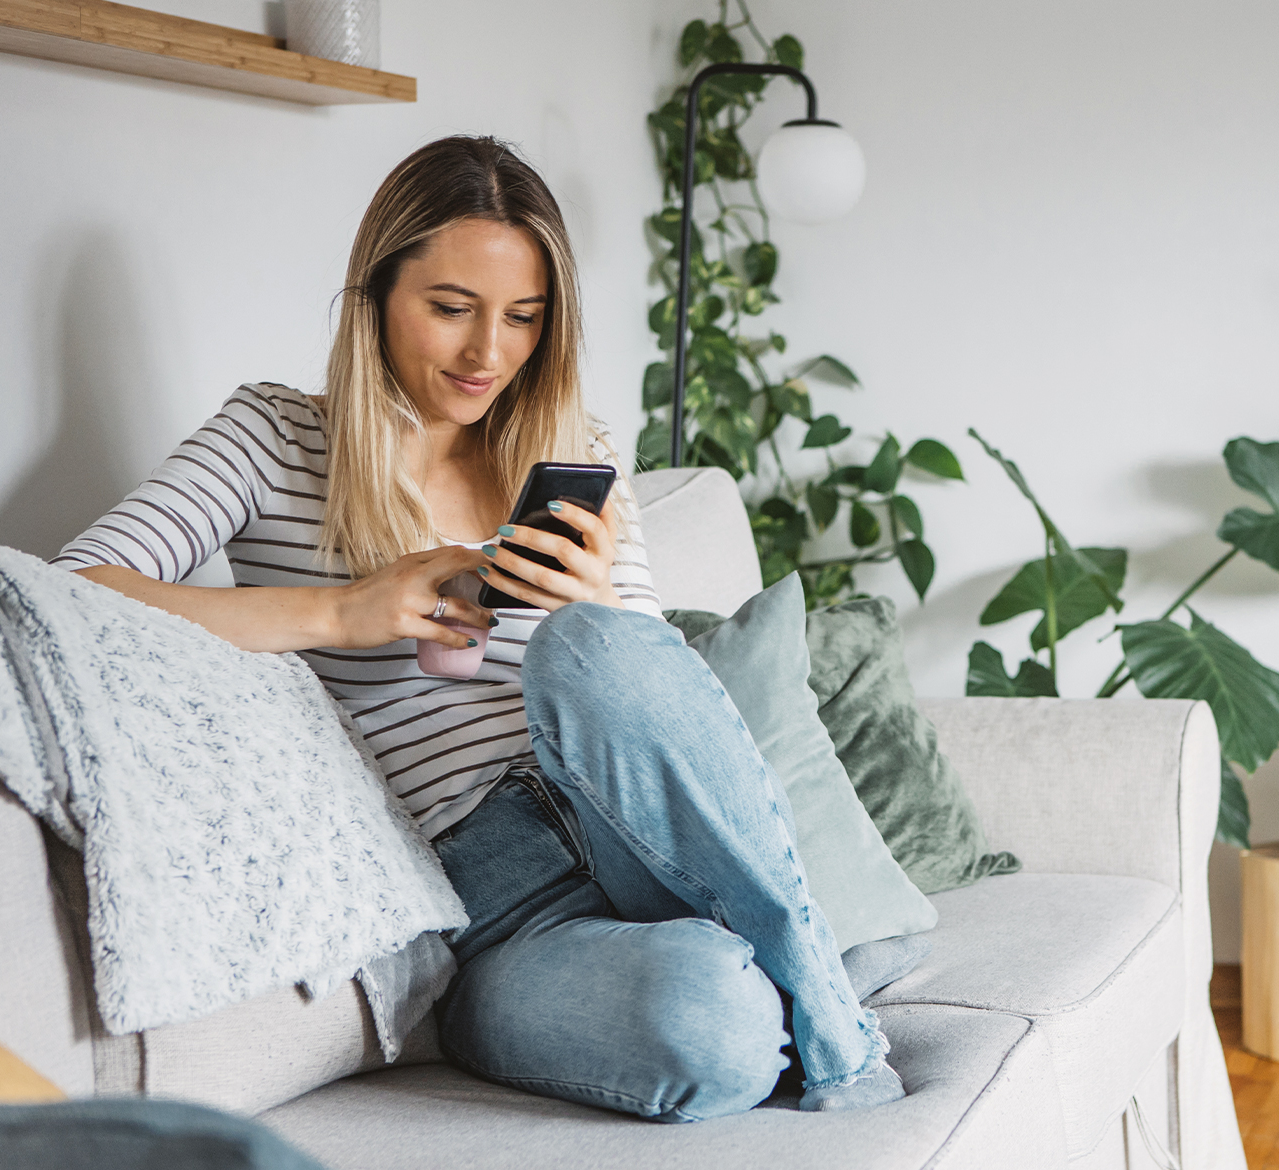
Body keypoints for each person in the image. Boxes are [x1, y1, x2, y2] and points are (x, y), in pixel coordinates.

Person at [52, 135, 900, 1122]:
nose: (486, 353)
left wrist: (595, 603)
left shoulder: (574, 458)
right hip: (494, 909)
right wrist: (341, 610)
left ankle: (833, 1030)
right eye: (450, 308)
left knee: (595, 643)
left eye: (523, 318)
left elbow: (666, 715)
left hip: (633, 830)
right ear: (375, 294)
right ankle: (787, 982)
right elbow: (74, 589)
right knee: (713, 1018)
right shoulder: (272, 439)